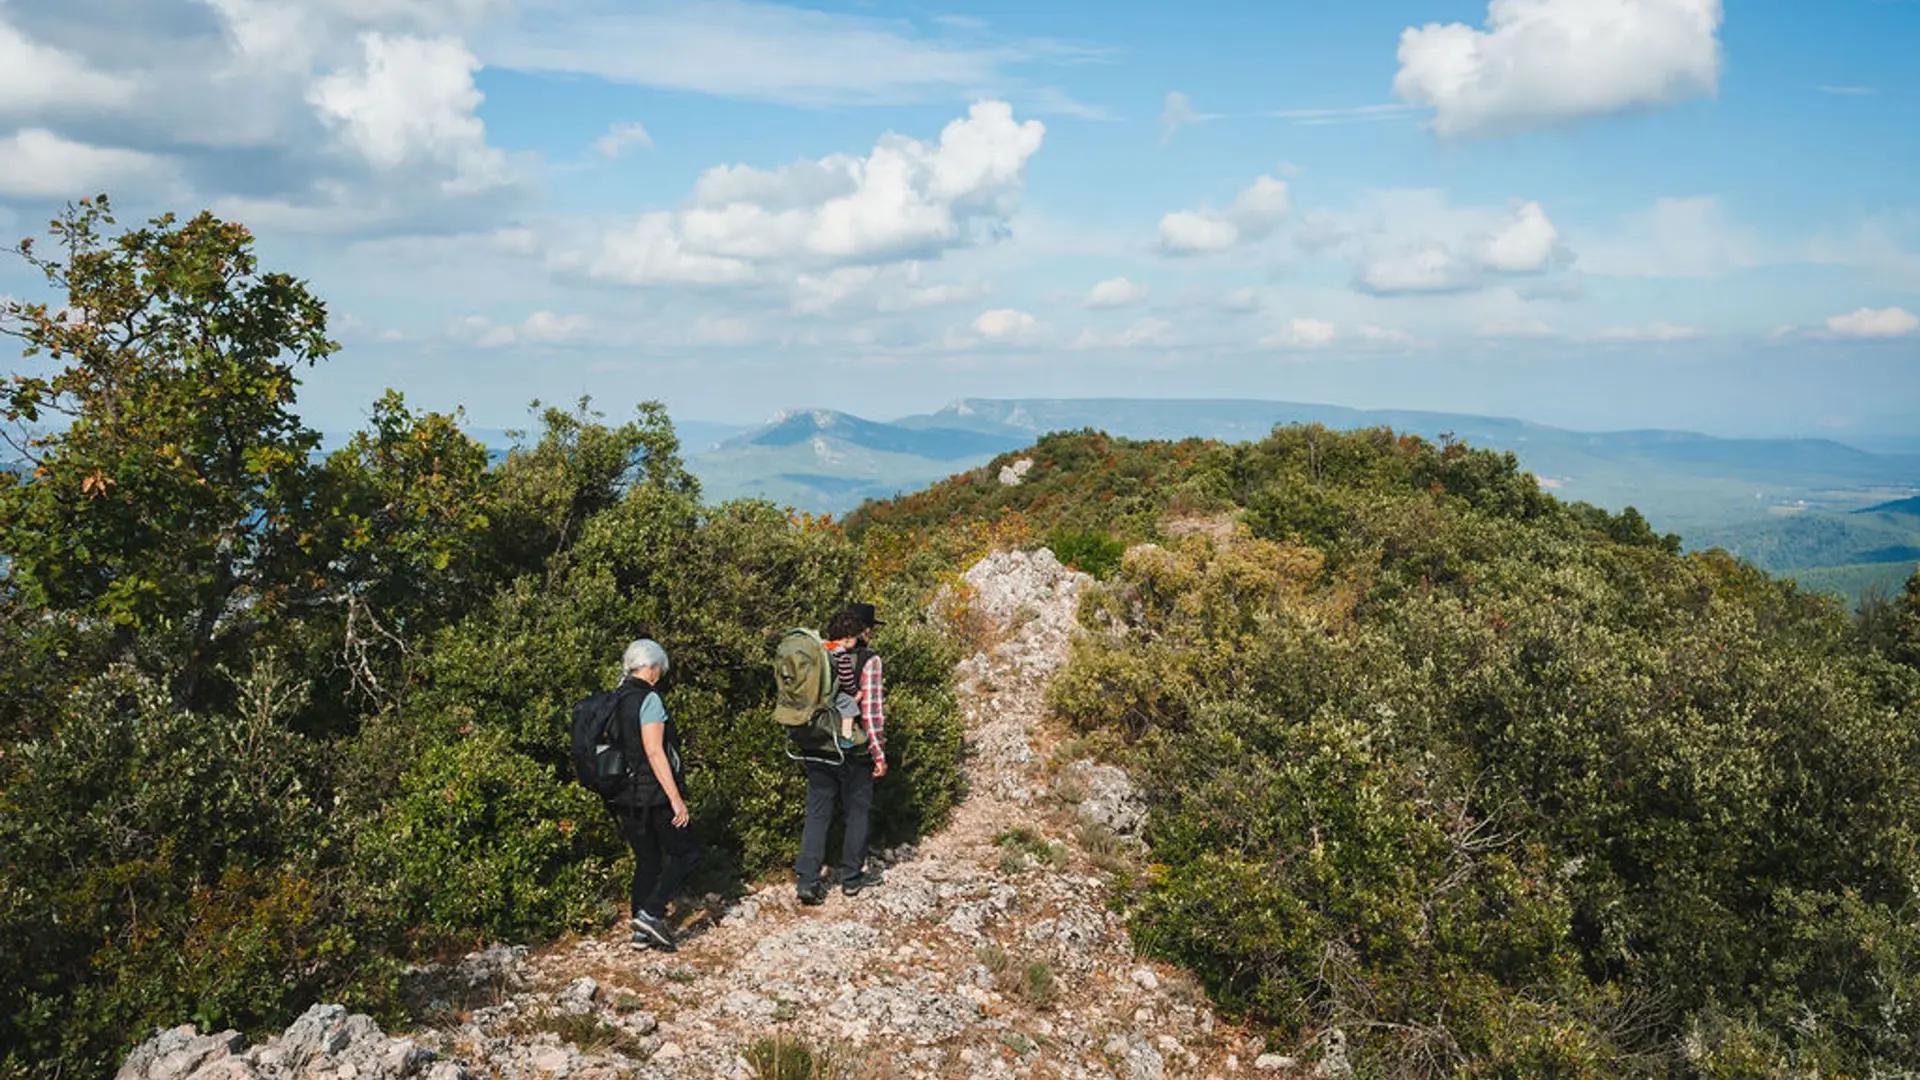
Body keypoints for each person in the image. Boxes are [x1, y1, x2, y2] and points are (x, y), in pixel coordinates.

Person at [607, 638, 702, 951]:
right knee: (687, 851)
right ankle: (650, 914)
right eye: (660, 668)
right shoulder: (649, 699)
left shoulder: (614, 698)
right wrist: (676, 799)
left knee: (647, 858)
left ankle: (639, 929)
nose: (660, 674)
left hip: (622, 793)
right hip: (653, 794)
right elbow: (654, 750)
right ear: (650, 667)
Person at [795, 602, 889, 905]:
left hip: (817, 745)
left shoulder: (819, 655)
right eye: (870, 627)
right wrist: (878, 753)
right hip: (853, 750)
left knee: (817, 815)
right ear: (862, 631)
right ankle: (851, 878)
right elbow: (872, 712)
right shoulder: (869, 661)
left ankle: (808, 881)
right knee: (857, 813)